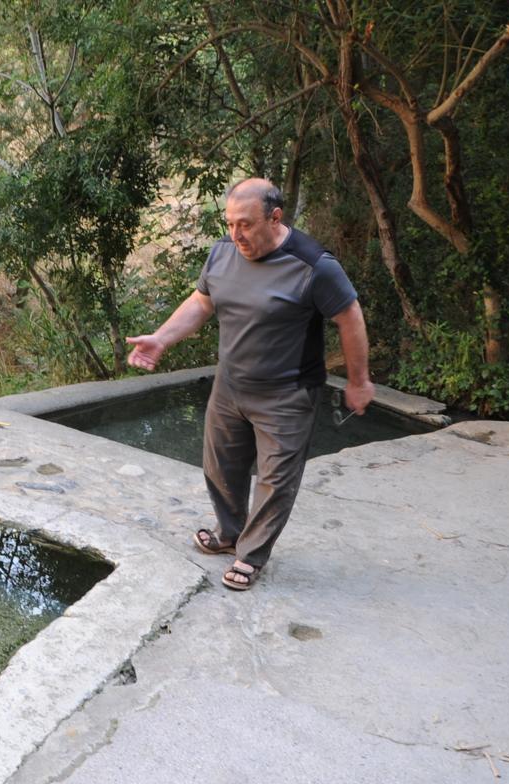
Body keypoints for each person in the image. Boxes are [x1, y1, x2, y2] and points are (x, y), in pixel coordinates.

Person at [126, 178, 374, 591]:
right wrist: (162, 337)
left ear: (275, 218)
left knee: (275, 481)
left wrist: (359, 379)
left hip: (287, 394)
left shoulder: (313, 264)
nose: (236, 234)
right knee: (220, 467)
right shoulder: (223, 252)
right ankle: (229, 533)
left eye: (245, 224)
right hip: (229, 385)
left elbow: (349, 316)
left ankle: (251, 555)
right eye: (229, 223)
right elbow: (201, 302)